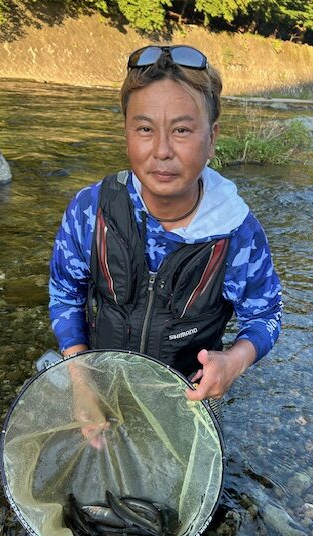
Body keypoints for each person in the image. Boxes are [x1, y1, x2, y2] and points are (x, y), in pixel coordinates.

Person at [49, 45, 282, 446]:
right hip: (100, 386)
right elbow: (65, 295)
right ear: (126, 134)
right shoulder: (91, 210)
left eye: (182, 130)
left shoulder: (238, 234)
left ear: (212, 139)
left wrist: (233, 362)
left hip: (185, 397)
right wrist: (80, 380)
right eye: (144, 129)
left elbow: (266, 315)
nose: (161, 150)